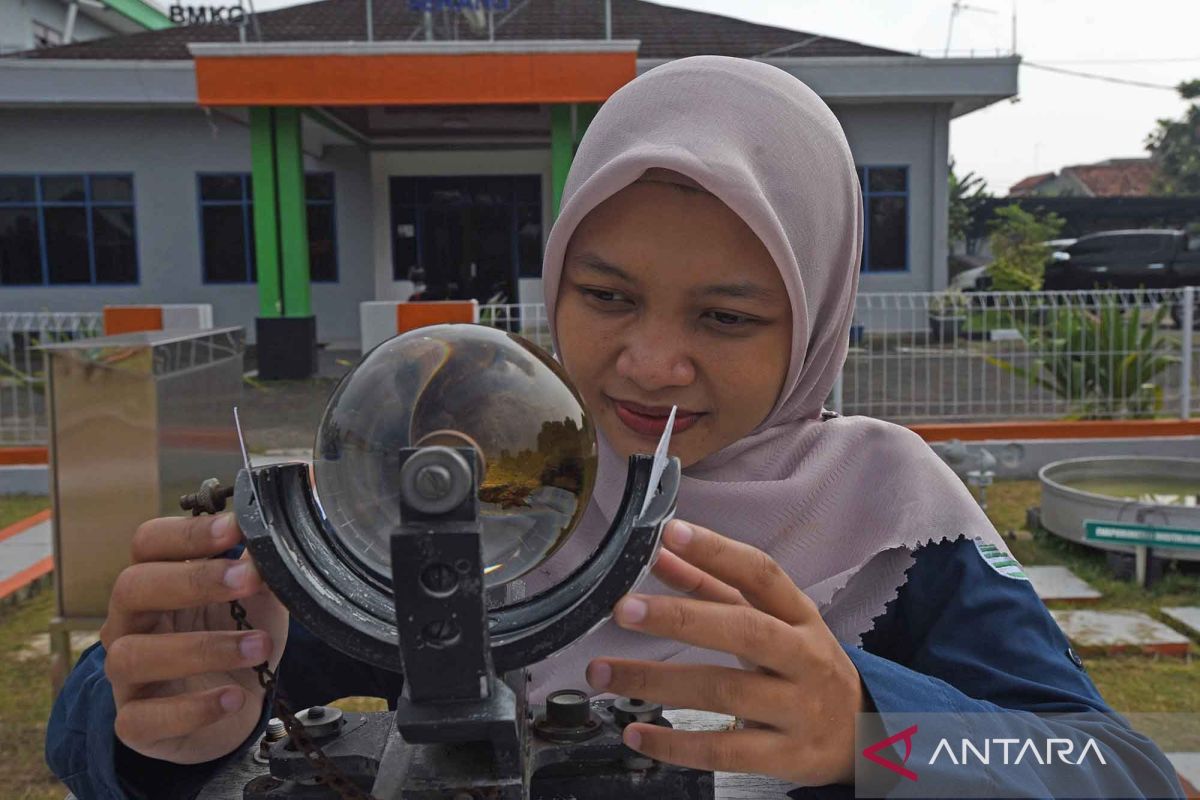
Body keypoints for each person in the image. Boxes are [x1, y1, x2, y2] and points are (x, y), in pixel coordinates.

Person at [47, 56, 1183, 799]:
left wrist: (872, 730)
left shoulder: (894, 516)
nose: (650, 362)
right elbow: (94, 729)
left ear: (820, 311)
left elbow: (1114, 763)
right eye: (605, 295)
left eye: (729, 315)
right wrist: (165, 712)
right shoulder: (471, 474)